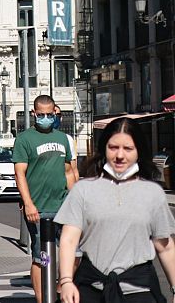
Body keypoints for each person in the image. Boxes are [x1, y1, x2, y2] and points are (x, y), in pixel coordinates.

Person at [57, 118, 175, 303]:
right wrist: (65, 281)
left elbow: (165, 246)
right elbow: (69, 239)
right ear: (104, 148)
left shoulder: (153, 193)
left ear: (138, 151)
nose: (120, 155)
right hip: (91, 288)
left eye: (128, 149)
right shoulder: (83, 190)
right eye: (113, 147)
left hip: (139, 290)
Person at [13, 94, 74, 303]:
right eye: (41, 115)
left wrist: (76, 201)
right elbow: (19, 174)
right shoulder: (24, 139)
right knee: (41, 257)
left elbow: (68, 172)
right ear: (34, 113)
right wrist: (28, 204)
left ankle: (59, 290)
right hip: (38, 208)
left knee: (74, 253)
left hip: (63, 205)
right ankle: (42, 300)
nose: (46, 118)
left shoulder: (62, 138)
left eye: (49, 114)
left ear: (55, 112)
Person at [53, 104, 80, 187]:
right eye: (51, 115)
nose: (54, 118)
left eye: (57, 115)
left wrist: (75, 191)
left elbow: (73, 169)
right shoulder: (31, 138)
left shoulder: (68, 139)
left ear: (61, 118)